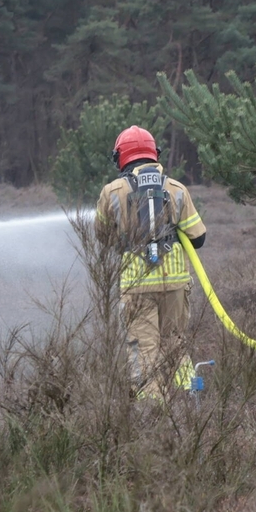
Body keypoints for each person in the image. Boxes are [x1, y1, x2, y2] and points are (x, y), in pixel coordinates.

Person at [95, 125, 207, 400]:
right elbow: (198, 238)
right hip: (175, 283)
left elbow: (103, 237)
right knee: (175, 345)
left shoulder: (112, 191)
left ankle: (152, 414)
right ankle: (188, 403)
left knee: (143, 350)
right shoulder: (176, 188)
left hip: (136, 285)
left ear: (120, 157)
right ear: (154, 153)